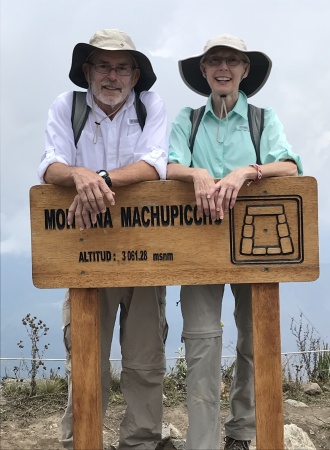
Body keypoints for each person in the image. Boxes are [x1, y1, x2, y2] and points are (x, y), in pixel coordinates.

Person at [167, 34, 303, 450]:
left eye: (231, 60)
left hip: (258, 246)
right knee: (202, 345)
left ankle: (242, 434)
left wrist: (247, 171)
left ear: (245, 70)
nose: (222, 68)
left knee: (254, 340)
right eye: (214, 60)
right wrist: (198, 174)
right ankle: (202, 443)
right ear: (204, 71)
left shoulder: (263, 118)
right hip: (198, 248)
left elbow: (290, 166)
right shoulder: (187, 120)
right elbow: (170, 166)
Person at [38, 29, 168, 450]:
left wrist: (101, 179)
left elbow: (155, 164)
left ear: (135, 75)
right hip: (85, 255)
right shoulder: (67, 106)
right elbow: (50, 165)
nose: (112, 76)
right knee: (86, 360)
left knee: (146, 360)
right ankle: (81, 441)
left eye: (122, 67)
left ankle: (141, 443)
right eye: (103, 66)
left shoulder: (151, 107)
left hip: (145, 254)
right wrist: (78, 175)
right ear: (87, 70)